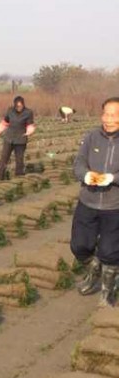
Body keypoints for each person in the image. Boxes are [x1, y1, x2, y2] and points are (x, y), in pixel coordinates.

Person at [71, 97, 119, 306]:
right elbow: (79, 162)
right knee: (79, 246)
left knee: (110, 251)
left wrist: (113, 178)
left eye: (114, 115)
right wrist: (85, 175)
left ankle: (107, 292)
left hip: (114, 206)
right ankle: (93, 271)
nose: (109, 119)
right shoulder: (91, 137)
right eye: (106, 114)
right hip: (87, 202)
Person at [0, 95, 35, 180]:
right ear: (14, 105)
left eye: (21, 106)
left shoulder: (28, 112)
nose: (19, 107)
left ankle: (19, 178)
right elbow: (5, 123)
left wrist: (29, 132)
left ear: (23, 104)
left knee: (19, 160)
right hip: (9, 138)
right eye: (17, 106)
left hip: (21, 139)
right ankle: (0, 177)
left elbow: (30, 125)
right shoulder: (10, 111)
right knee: (4, 159)